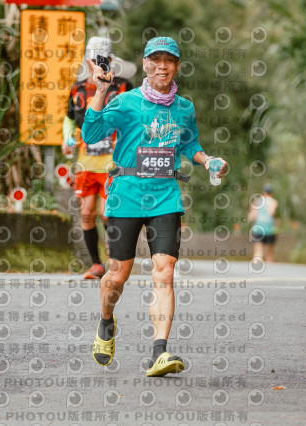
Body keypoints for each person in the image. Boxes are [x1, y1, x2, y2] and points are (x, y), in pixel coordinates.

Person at [81, 36, 227, 377]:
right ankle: (106, 320)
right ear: (146, 64)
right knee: (117, 276)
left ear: (176, 66)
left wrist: (208, 161)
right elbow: (91, 134)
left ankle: (159, 352)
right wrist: (100, 91)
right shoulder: (126, 102)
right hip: (126, 196)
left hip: (165, 197)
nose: (162, 66)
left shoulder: (184, 108)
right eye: (156, 60)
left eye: (169, 60)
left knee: (165, 271)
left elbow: (190, 143)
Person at [62, 37, 133, 280]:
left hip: (113, 161)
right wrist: (67, 138)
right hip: (86, 162)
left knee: (107, 211)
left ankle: (115, 257)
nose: (98, 64)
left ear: (111, 60)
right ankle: (96, 264)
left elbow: (135, 118)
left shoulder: (123, 87)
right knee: (87, 212)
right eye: (93, 60)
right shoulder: (78, 89)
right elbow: (69, 119)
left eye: (102, 60)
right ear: (87, 61)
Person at [248, 184, 279, 263]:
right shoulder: (273, 202)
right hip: (269, 228)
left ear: (263, 192)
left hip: (258, 228)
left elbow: (252, 216)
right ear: (271, 193)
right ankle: (269, 262)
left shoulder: (258, 201)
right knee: (270, 249)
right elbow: (272, 213)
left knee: (258, 247)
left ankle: (257, 261)